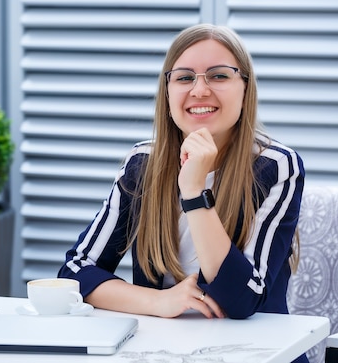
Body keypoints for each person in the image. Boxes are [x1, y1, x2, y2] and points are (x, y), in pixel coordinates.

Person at [58, 24, 304, 328]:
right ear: (167, 91)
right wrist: (159, 300)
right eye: (185, 77)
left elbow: (243, 299)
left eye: (219, 75)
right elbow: (76, 272)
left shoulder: (275, 166)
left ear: (245, 88)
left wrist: (193, 191)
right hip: (162, 349)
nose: (199, 90)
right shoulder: (143, 164)